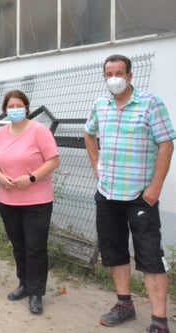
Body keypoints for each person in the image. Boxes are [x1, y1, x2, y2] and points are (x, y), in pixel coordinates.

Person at [84, 54, 175, 333]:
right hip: (108, 193)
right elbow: (89, 134)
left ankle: (159, 321)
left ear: (130, 76)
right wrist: (97, 166)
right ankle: (124, 304)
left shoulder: (150, 104)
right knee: (115, 251)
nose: (114, 78)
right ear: (104, 77)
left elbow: (166, 144)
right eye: (109, 73)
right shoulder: (101, 105)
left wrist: (156, 186)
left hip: (140, 195)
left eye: (119, 73)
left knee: (150, 256)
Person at [0, 90, 59, 314]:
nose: (14, 109)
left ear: (27, 107)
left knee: (35, 247)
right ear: (5, 109)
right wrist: (0, 177)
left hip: (37, 200)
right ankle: (24, 285)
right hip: (8, 199)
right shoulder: (0, 133)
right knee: (18, 246)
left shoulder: (39, 131)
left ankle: (37, 292)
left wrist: (31, 178)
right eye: (10, 106)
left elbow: (53, 161)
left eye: (19, 105)